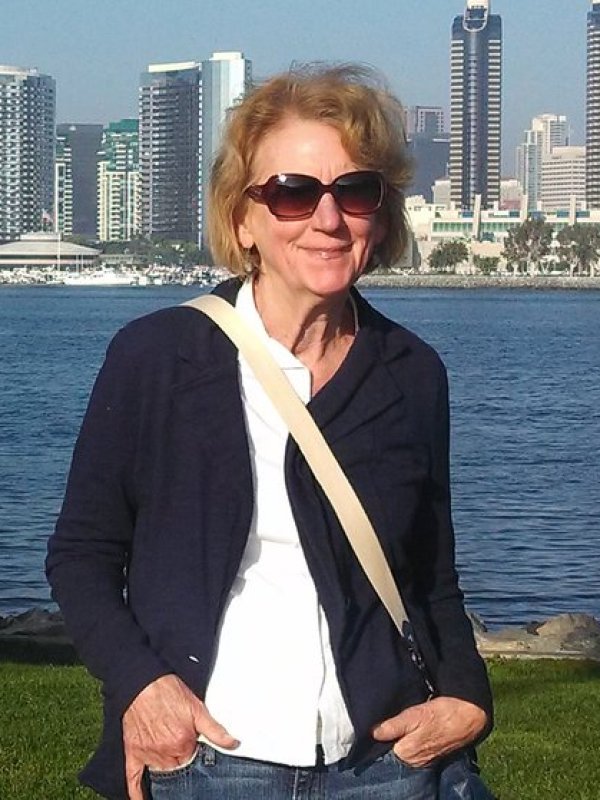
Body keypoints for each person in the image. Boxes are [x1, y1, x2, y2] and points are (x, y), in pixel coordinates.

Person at [47, 64, 493, 800]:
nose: (328, 219)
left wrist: (469, 696)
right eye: (293, 193)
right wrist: (142, 686)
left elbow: (431, 574)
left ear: (381, 216)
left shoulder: (412, 372)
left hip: (383, 762)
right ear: (242, 219)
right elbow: (81, 556)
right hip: (209, 758)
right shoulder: (157, 358)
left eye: (355, 191)